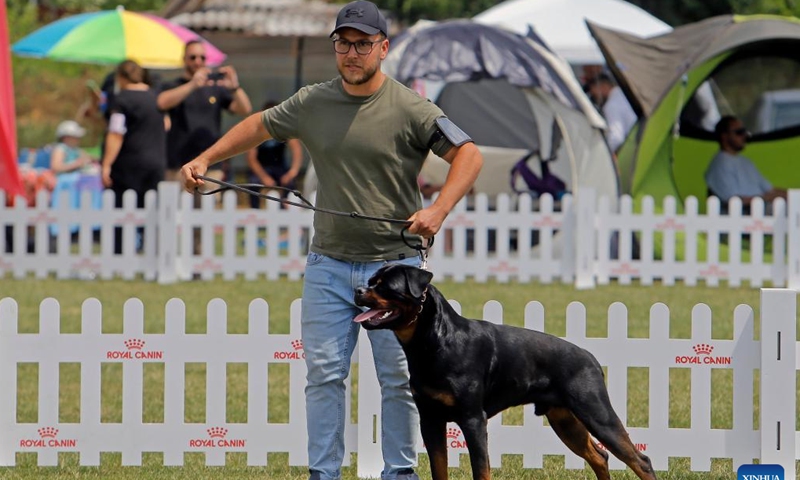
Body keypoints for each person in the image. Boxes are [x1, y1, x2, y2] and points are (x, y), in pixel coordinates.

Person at [178, 2, 483, 478]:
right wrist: (206, 158)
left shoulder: (412, 107)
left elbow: (468, 153)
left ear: (383, 48)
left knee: (401, 382)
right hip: (328, 265)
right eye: (344, 43)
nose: (352, 53)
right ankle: (324, 474)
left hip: (396, 268)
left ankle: (399, 473)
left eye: (363, 44)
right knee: (323, 376)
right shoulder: (312, 101)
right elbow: (259, 125)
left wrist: (438, 209)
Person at [157, 40, 252, 184]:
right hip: (178, 164)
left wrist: (234, 88)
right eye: (193, 57)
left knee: (209, 204)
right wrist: (192, 85)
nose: (198, 61)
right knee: (177, 205)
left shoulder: (215, 88)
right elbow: (162, 102)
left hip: (210, 164)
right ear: (184, 59)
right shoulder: (173, 85)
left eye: (202, 57)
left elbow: (245, 109)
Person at [101, 60, 168, 253]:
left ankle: (121, 254)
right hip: (156, 162)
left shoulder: (121, 99)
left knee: (122, 212)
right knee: (152, 212)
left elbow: (116, 132)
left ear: (120, 77)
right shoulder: (155, 97)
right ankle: (153, 253)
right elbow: (166, 125)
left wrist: (106, 164)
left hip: (129, 164)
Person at [705, 115, 786, 210]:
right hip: (746, 217)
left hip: (764, 210)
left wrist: (792, 195)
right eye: (739, 132)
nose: (744, 136)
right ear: (724, 136)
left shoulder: (746, 162)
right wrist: (767, 198)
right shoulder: (719, 165)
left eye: (744, 132)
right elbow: (734, 201)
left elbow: (770, 190)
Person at [246, 101, 304, 208]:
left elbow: (296, 150)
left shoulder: (284, 129)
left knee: (289, 184)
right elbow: (251, 159)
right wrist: (264, 177)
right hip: (262, 169)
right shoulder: (257, 131)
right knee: (253, 184)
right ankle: (255, 214)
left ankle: (284, 213)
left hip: (279, 167)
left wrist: (292, 172)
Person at [587, 73, 637, 154]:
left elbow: (616, 137)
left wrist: (601, 154)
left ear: (603, 86)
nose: (594, 96)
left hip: (631, 149)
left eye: (594, 93)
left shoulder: (612, 105)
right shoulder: (625, 94)